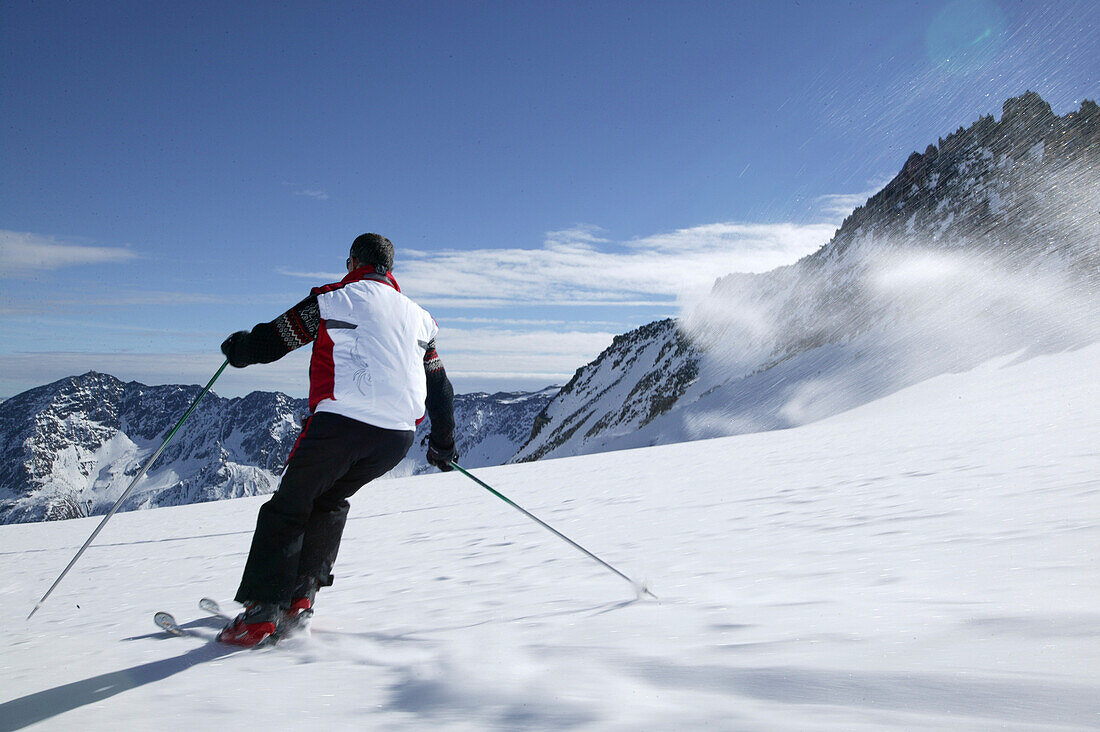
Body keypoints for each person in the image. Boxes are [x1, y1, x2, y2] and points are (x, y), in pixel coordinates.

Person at [216, 233, 457, 647]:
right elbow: (439, 386)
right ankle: (299, 600)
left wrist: (241, 349)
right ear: (391, 270)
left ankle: (260, 614)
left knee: (288, 508)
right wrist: (443, 444)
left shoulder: (336, 298)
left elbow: (279, 337)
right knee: (328, 500)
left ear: (352, 262)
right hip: (396, 437)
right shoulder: (421, 319)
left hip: (340, 424)